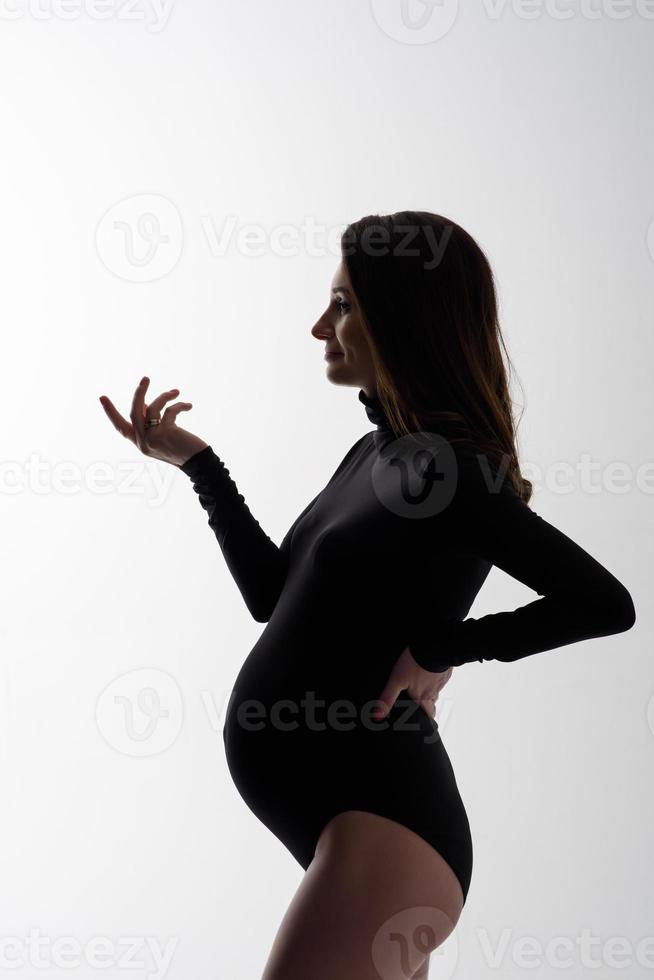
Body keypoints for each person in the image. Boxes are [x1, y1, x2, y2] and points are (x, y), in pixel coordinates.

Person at [99, 211, 636, 980]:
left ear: (403, 316)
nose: (320, 326)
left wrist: (443, 647)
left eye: (344, 304)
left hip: (388, 829)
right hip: (352, 833)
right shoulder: (373, 454)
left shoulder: (446, 470)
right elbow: (269, 597)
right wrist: (199, 464)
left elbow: (603, 603)